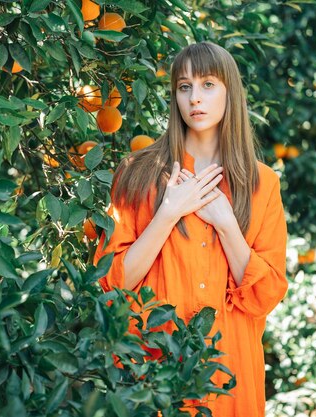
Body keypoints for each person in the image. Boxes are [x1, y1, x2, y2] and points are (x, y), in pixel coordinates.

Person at [93, 41, 288, 417]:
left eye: (208, 85)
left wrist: (228, 225)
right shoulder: (137, 172)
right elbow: (110, 283)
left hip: (231, 374)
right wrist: (167, 214)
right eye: (184, 87)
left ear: (230, 91)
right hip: (150, 371)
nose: (195, 98)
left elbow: (265, 296)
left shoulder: (262, 184)